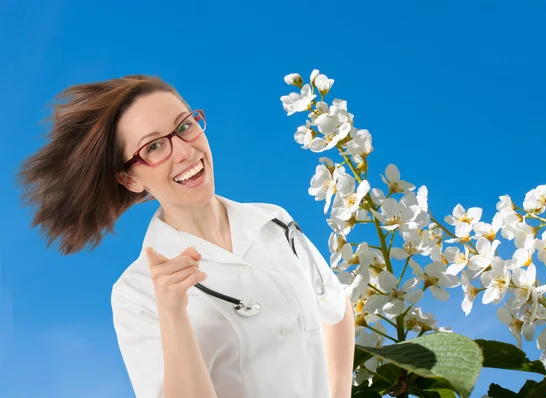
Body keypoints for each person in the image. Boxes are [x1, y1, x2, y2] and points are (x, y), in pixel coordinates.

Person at [17, 74, 355, 398]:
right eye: (153, 147)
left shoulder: (275, 221)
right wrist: (173, 315)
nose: (184, 151)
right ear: (130, 180)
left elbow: (336, 309)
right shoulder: (137, 294)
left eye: (184, 126)